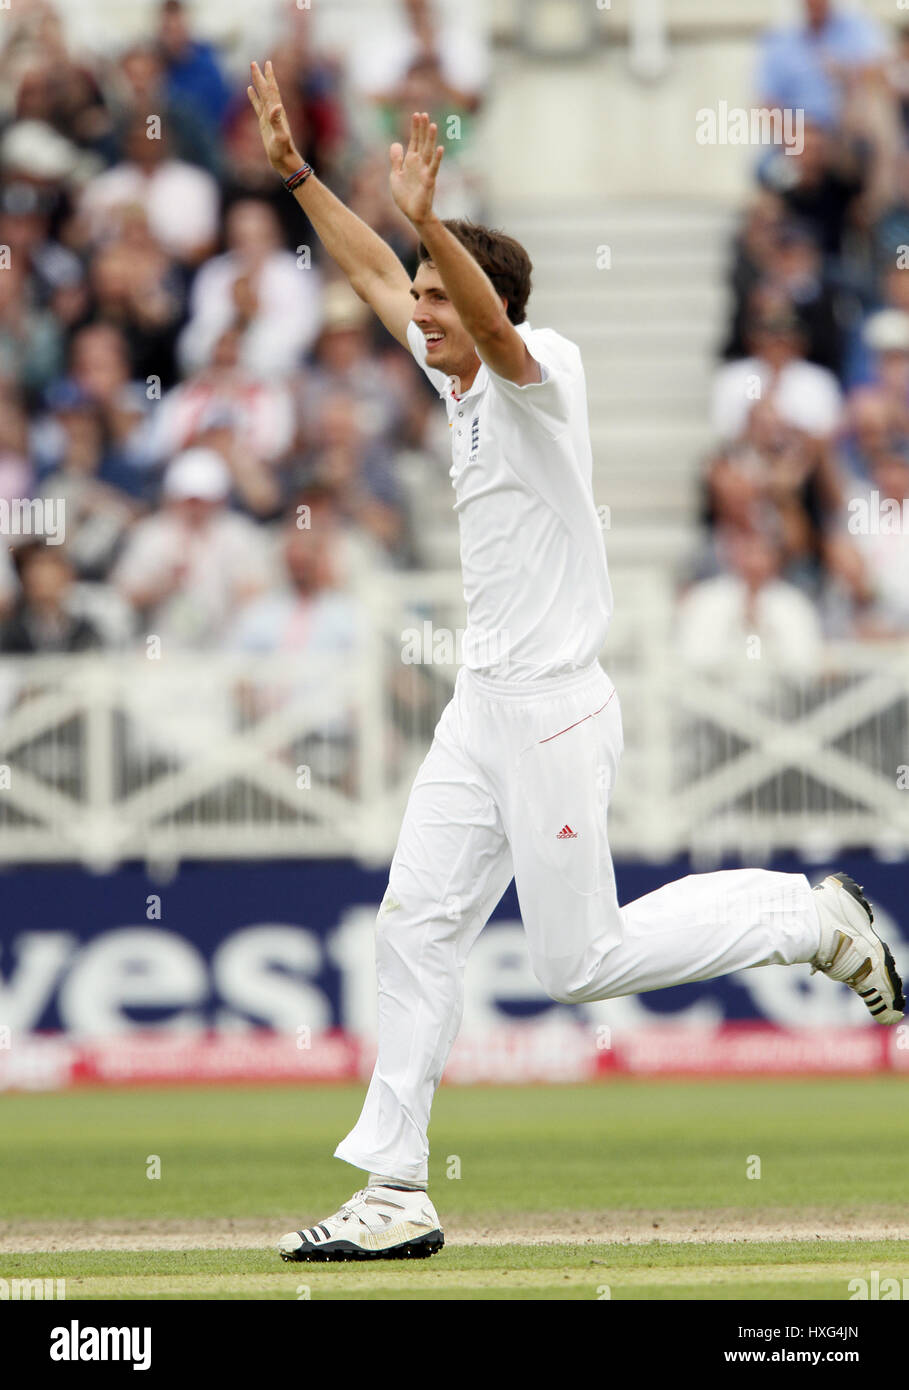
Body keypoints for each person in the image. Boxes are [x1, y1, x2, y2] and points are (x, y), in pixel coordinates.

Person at [247, 59, 906, 1264]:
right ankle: (395, 1186)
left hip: (552, 711)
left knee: (579, 961)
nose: (417, 316)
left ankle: (808, 916)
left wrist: (431, 222)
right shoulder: (454, 373)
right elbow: (371, 272)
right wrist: (298, 178)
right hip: (483, 708)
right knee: (414, 924)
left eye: (434, 303)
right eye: (422, 306)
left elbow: (480, 319)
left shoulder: (542, 374)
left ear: (483, 305)